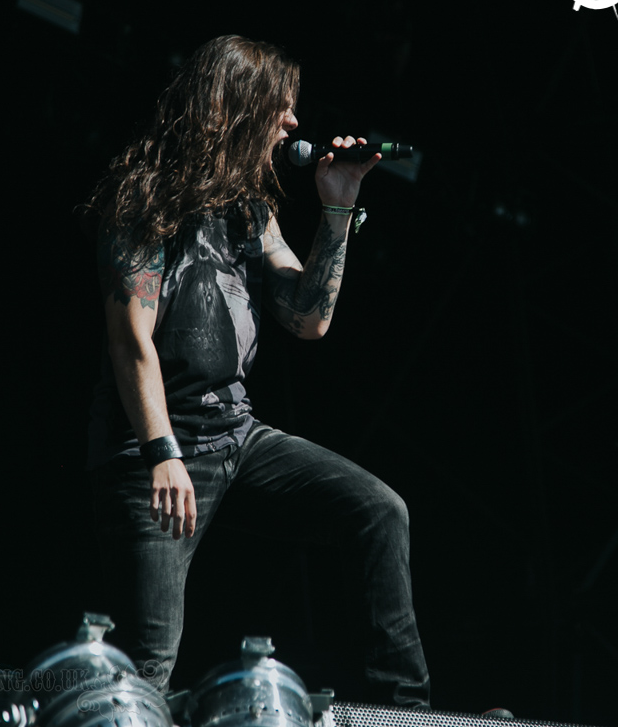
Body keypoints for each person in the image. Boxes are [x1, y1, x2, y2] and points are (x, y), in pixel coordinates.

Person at [84, 35, 430, 708]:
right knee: (148, 669)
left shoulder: (250, 210)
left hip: (238, 439)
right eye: (280, 106)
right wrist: (162, 453)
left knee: (379, 510)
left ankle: (407, 713)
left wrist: (338, 206)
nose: (292, 122)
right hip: (155, 450)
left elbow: (308, 319)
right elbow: (131, 339)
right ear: (236, 104)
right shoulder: (146, 195)